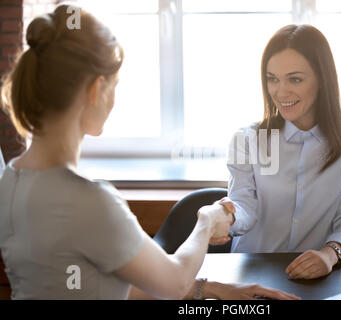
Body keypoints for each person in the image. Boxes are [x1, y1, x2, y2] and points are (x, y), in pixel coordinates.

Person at [0, 5, 299, 300]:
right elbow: (173, 283)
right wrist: (205, 222)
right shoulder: (89, 201)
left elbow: (85, 285)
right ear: (96, 89)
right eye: (114, 86)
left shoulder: (10, 181)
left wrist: (206, 289)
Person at [222, 24, 341, 280]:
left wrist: (329, 254)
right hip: (251, 277)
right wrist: (226, 216)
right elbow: (244, 205)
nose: (281, 92)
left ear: (322, 80)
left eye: (295, 79)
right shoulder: (246, 139)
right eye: (272, 79)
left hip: (319, 278)